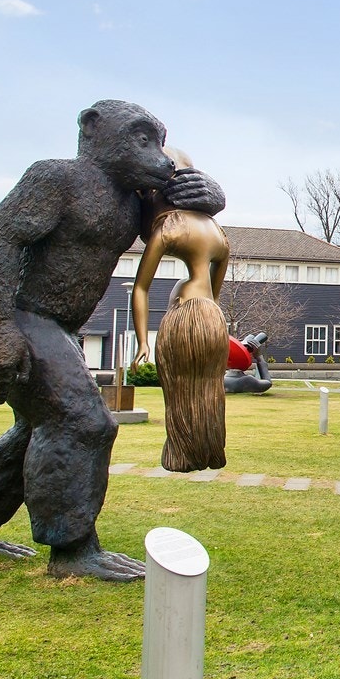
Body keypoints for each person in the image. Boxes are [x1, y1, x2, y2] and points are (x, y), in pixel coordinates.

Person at [0, 101, 224, 582]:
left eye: (158, 141)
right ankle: (72, 549)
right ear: (92, 130)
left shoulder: (134, 202)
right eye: (141, 139)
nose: (158, 155)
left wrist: (210, 192)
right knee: (84, 424)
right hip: (25, 318)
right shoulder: (57, 179)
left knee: (38, 428)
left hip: (60, 329)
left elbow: (185, 213)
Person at [129, 146, 230, 471]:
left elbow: (141, 288)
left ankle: (181, 452)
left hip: (185, 314)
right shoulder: (218, 234)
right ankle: (210, 450)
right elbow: (214, 294)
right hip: (213, 320)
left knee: (181, 389)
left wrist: (143, 342)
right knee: (209, 389)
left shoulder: (169, 227)